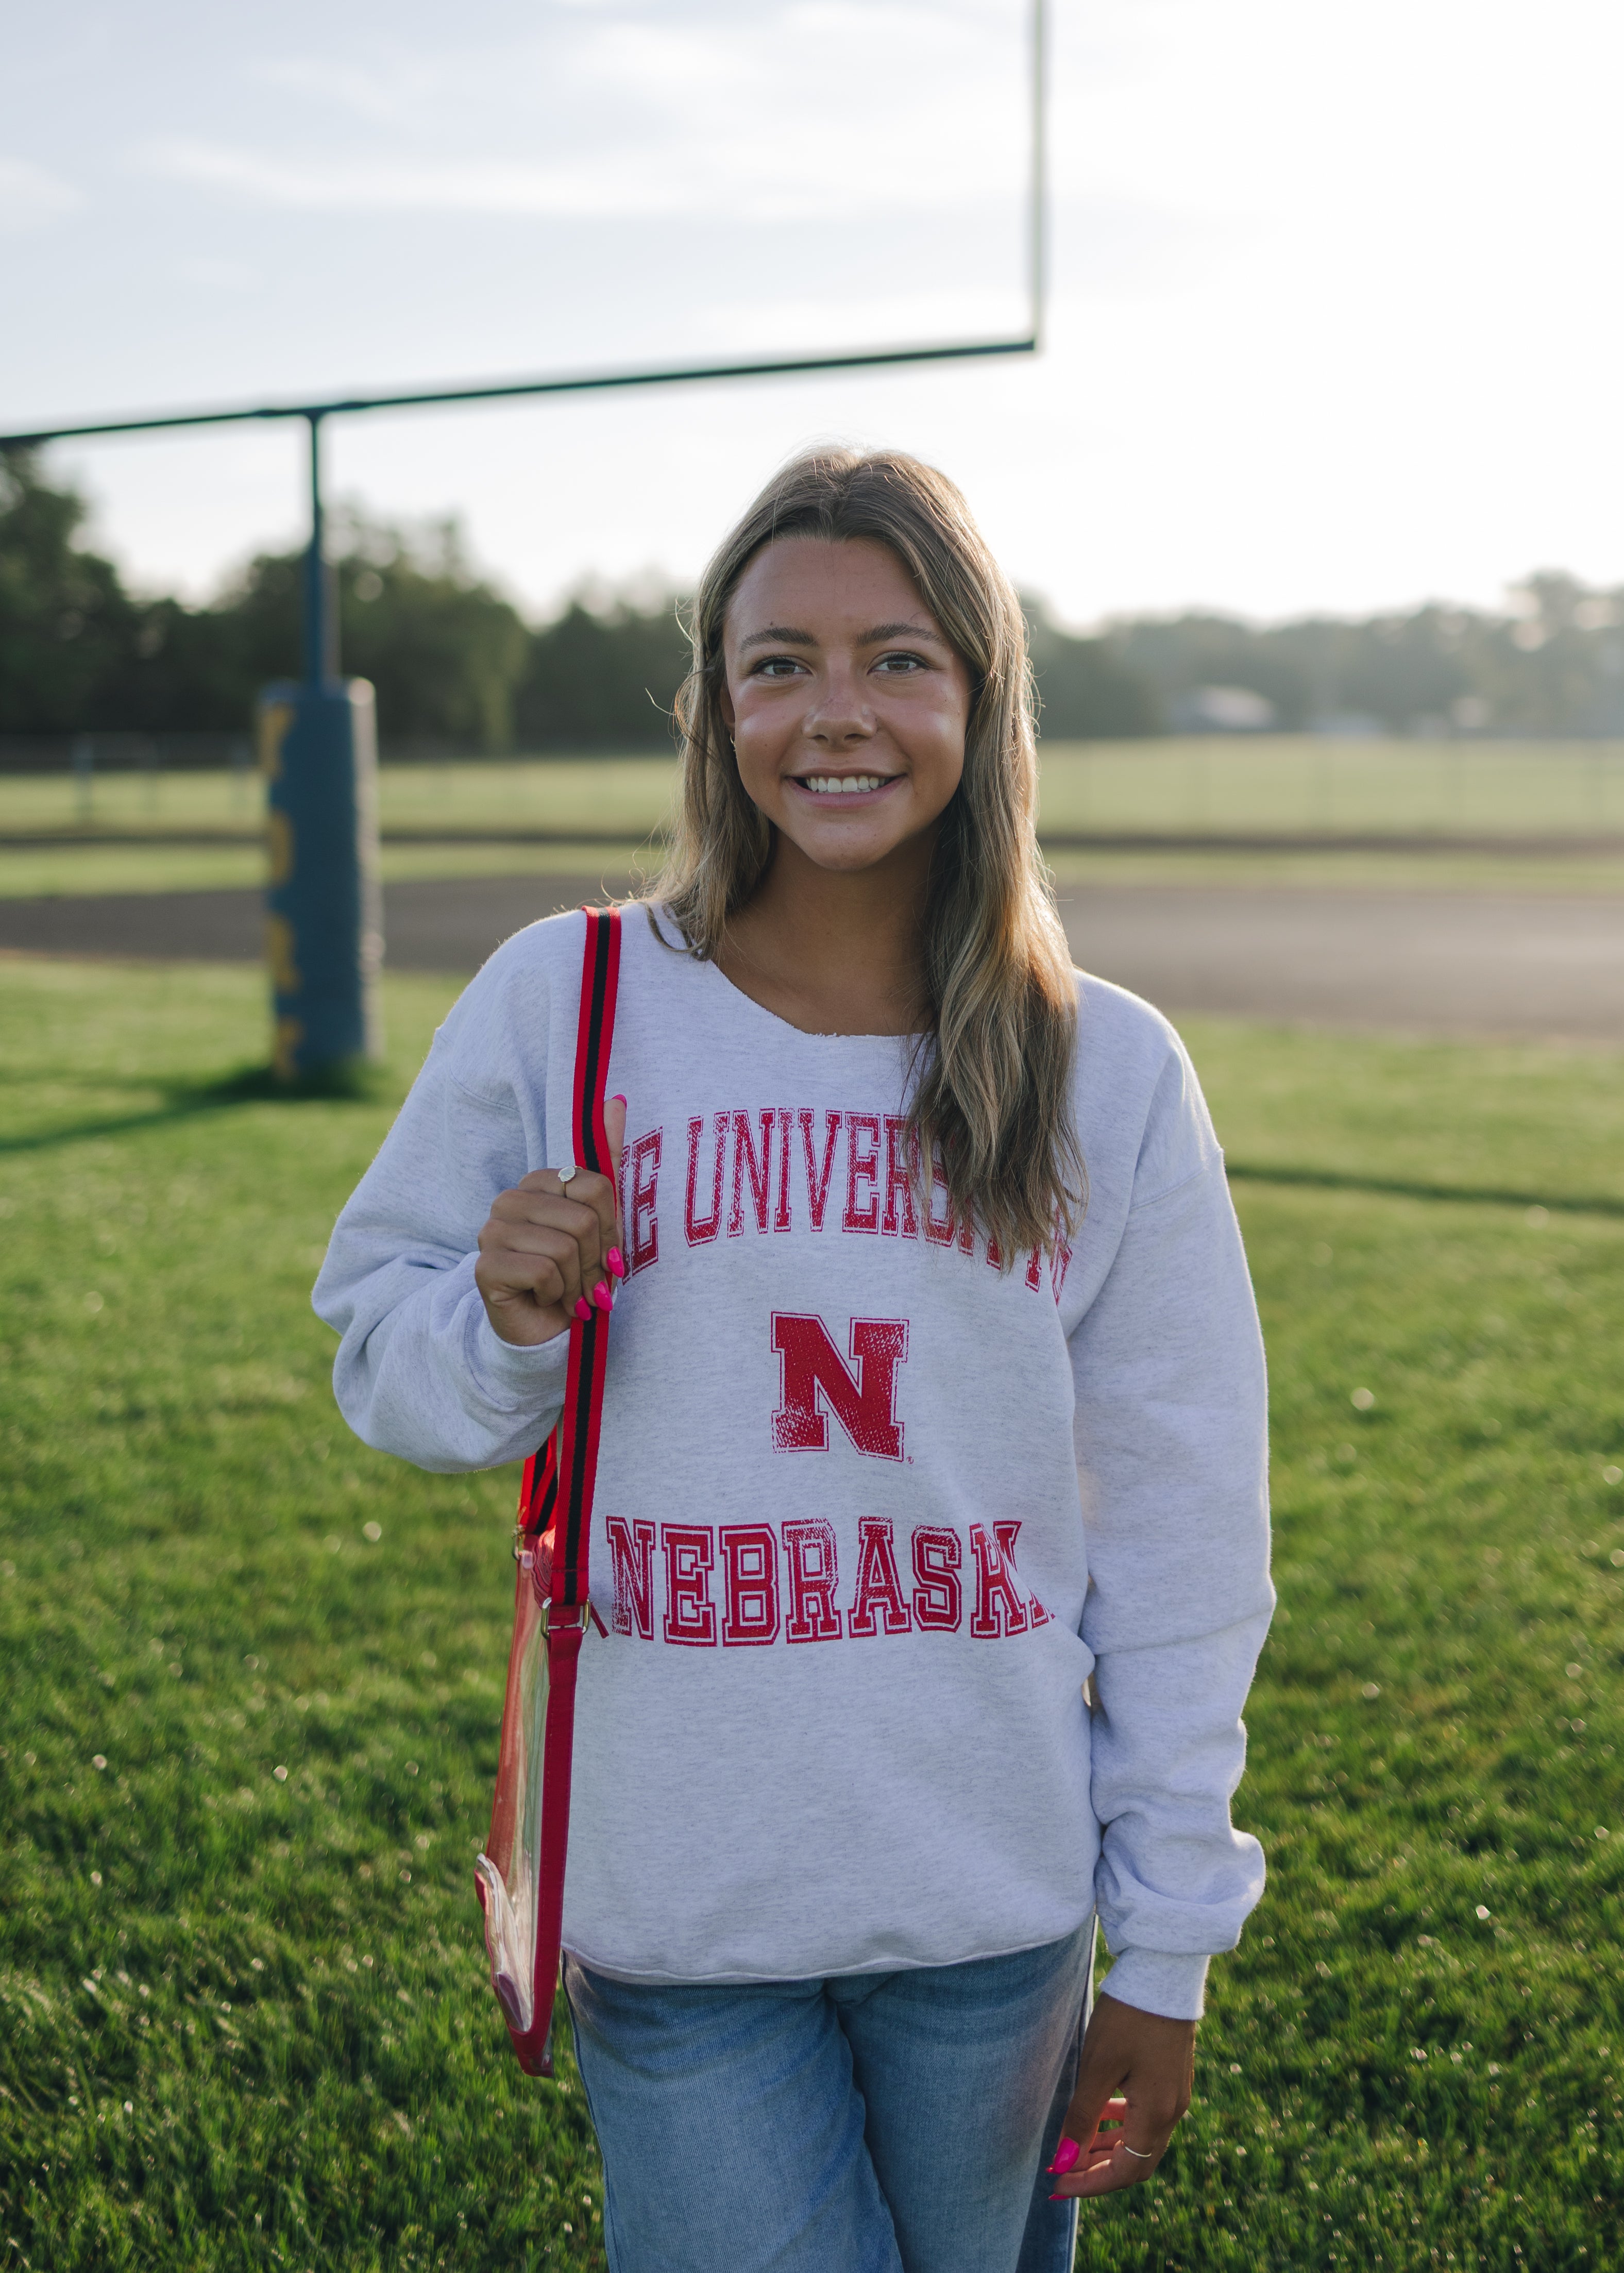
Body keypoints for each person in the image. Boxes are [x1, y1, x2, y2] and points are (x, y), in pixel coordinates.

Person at [315, 448, 1273, 2273]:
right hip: (679, 1893)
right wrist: (502, 1321)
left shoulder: (1107, 1068)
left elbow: (1180, 1527)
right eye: (780, 664)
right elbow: (384, 1357)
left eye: (898, 658)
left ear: (982, 702)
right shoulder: (572, 997)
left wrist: (1165, 1945)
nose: (838, 714)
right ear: (713, 707)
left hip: (989, 1896)